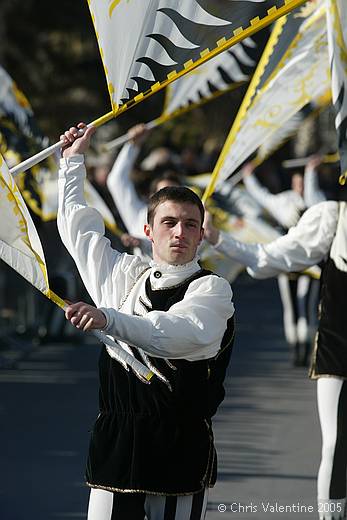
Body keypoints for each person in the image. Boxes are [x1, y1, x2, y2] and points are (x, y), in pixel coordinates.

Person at [57, 123, 235, 520]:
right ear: (147, 231)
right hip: (116, 444)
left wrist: (109, 318)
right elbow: (78, 231)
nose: (180, 233)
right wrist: (72, 164)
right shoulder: (124, 276)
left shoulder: (212, 290)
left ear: (201, 236)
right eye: (169, 222)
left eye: (190, 224)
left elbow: (175, 335)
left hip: (179, 447)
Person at [204, 200, 347, 520]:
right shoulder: (334, 217)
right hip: (340, 354)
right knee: (337, 444)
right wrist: (218, 239)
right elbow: (268, 257)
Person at [242, 161, 318, 366]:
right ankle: (296, 347)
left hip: (311, 263)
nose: (300, 187)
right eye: (297, 182)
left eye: (303, 182)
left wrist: (311, 173)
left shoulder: (315, 202)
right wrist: (249, 177)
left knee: (306, 305)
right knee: (291, 305)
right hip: (288, 261)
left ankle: (306, 345)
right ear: (292, 184)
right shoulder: (285, 202)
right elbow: (262, 196)